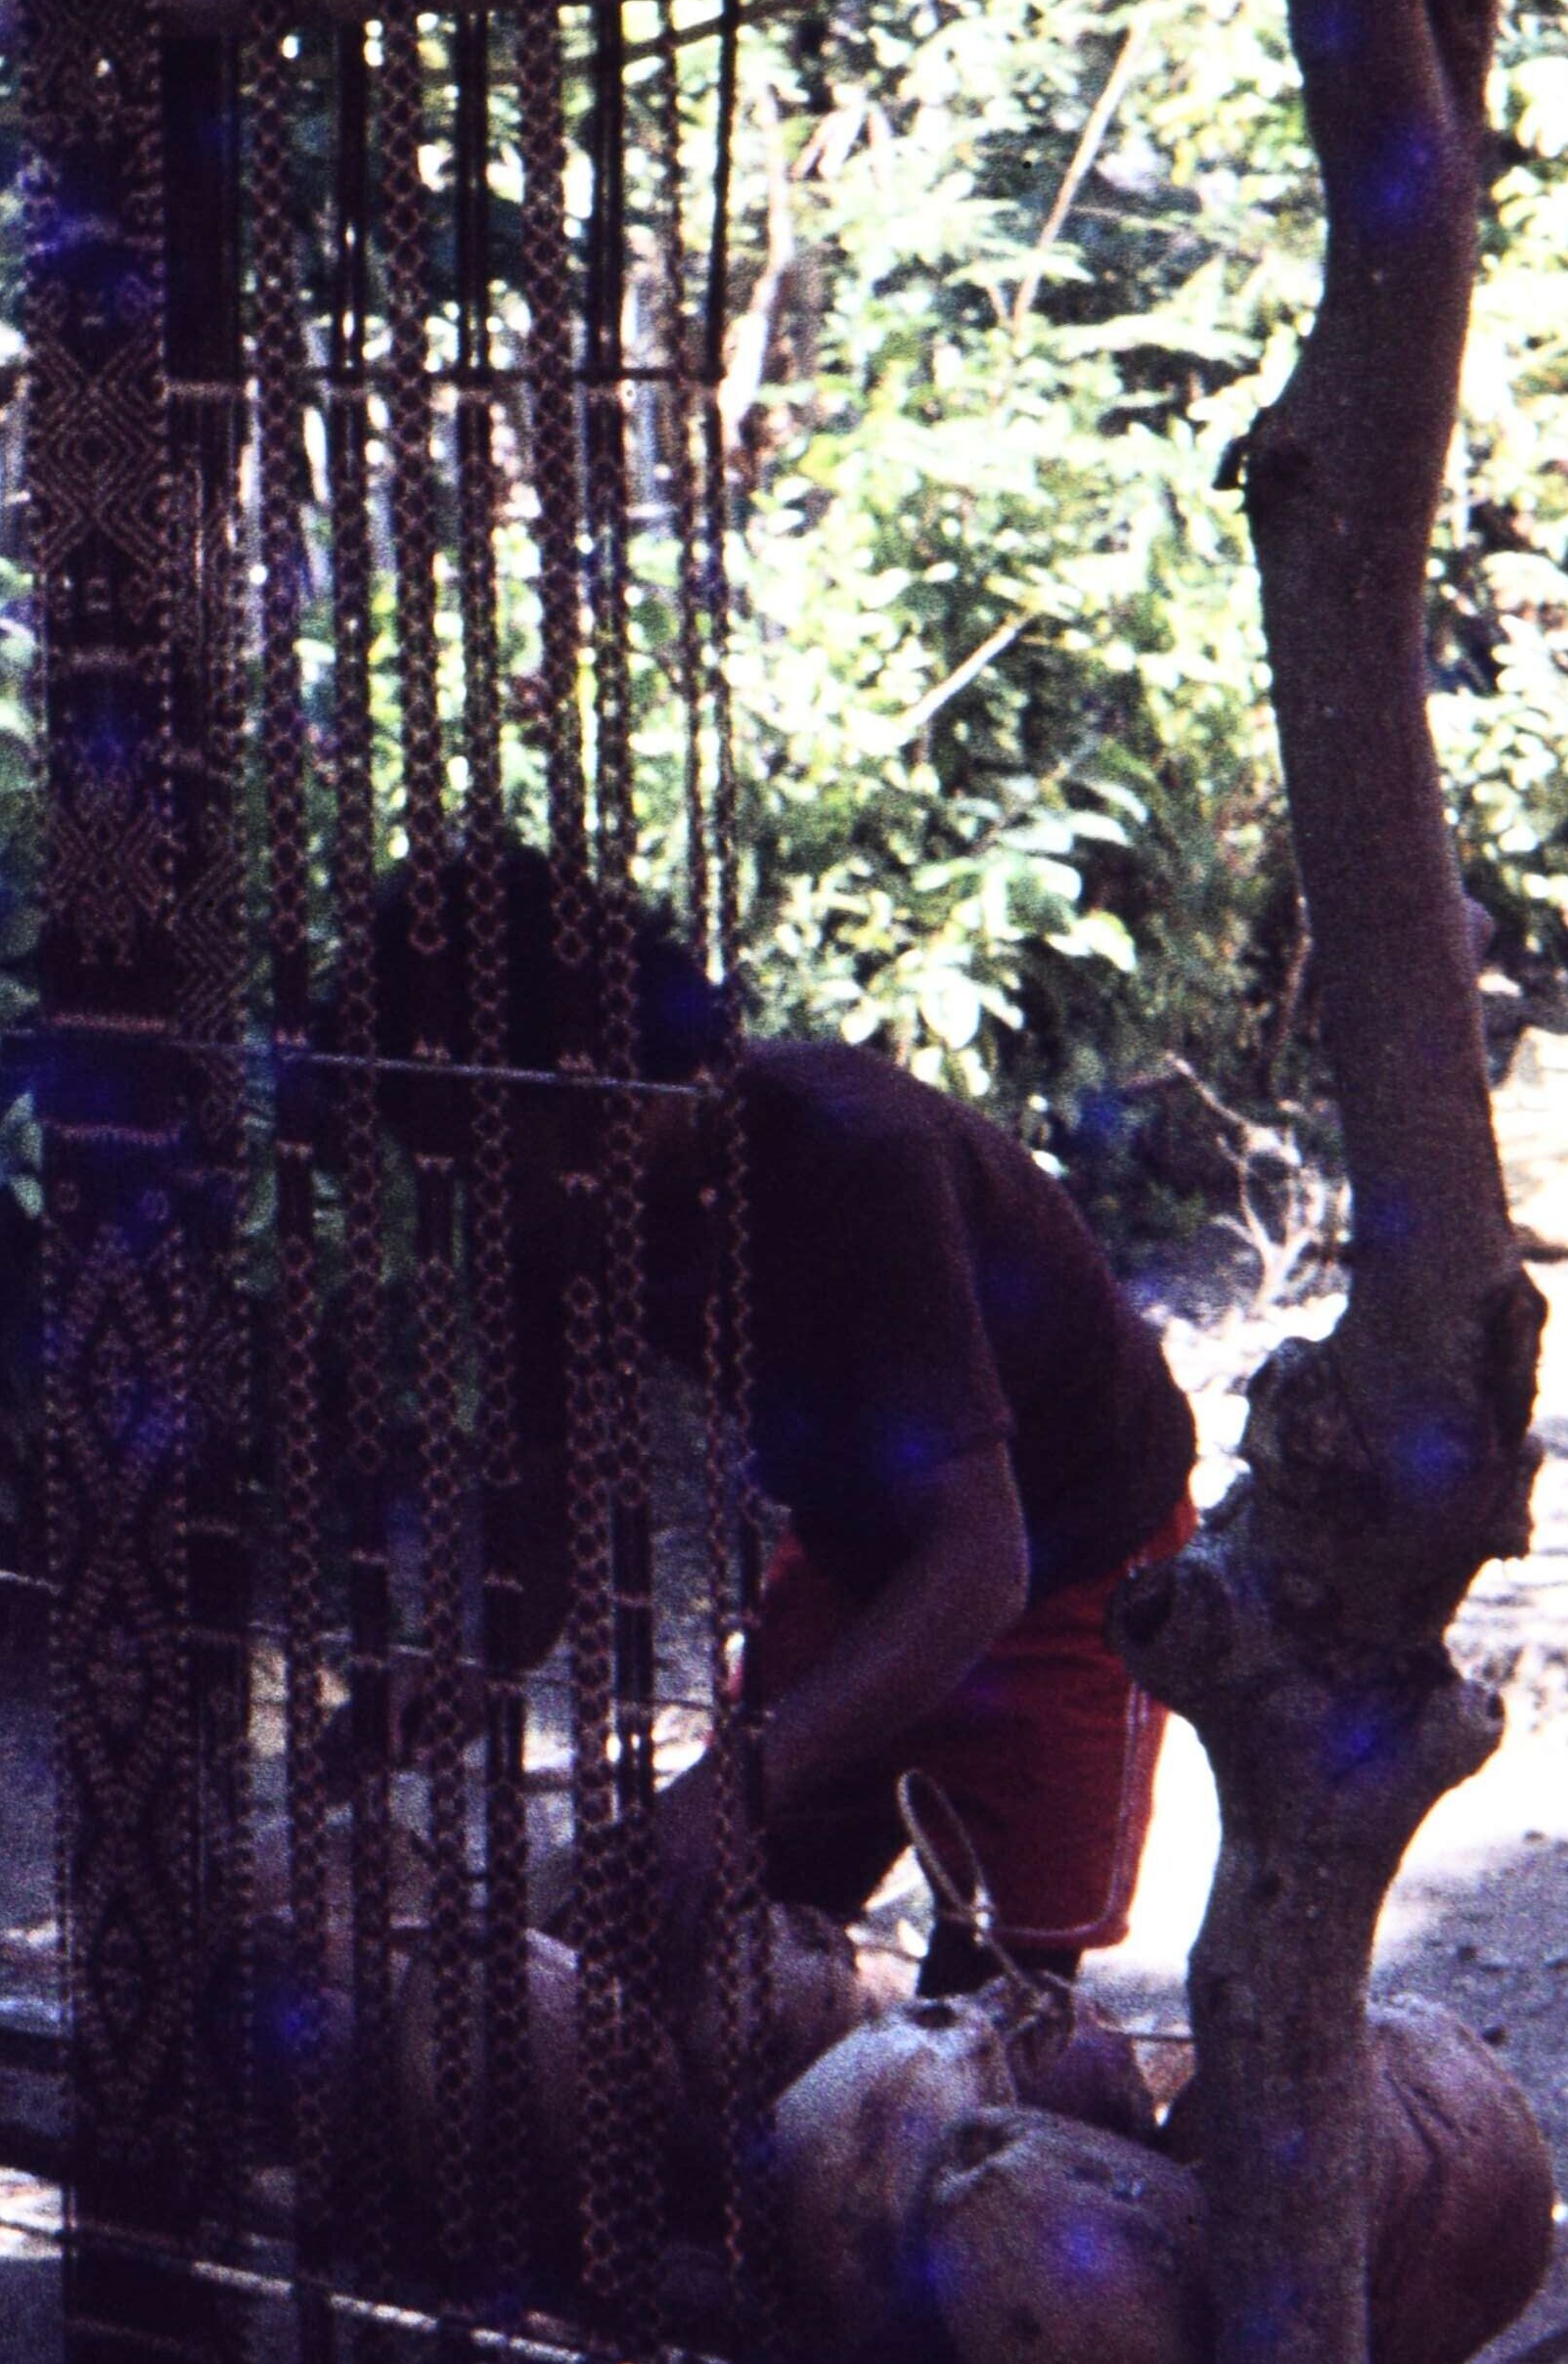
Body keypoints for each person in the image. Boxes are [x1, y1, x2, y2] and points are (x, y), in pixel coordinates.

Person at [349, 851, 1199, 1999]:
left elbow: (980, 1564)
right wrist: (460, 1662)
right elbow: (542, 1533)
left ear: (596, 1087)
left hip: (1073, 1560)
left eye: (489, 1153)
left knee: (993, 2005)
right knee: (700, 1943)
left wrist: (722, 1791)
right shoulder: (544, 1202)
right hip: (861, 1551)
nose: (479, 1198)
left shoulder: (856, 1155)